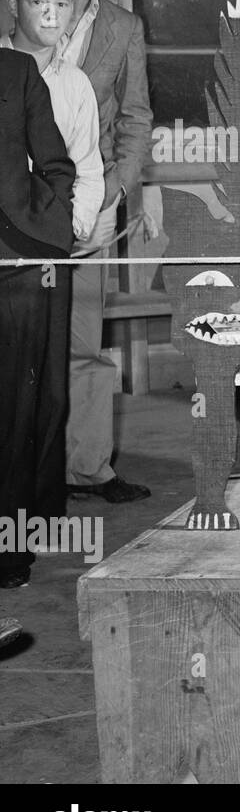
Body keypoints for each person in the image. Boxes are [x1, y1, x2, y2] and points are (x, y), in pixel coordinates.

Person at [42, 0, 153, 505]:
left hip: (92, 202)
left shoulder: (124, 26)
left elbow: (136, 115)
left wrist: (114, 188)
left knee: (84, 341)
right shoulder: (22, 13)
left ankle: (87, 469)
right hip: (21, 203)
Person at [0, 47, 77, 588]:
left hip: (22, 260)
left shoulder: (15, 70)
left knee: (15, 410)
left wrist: (50, 221)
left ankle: (9, 554)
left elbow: (55, 164)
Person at [2, 0, 105, 242]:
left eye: (62, 4)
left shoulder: (76, 84)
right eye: (38, 2)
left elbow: (88, 171)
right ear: (13, 5)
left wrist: (64, 230)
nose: (52, 15)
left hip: (45, 245)